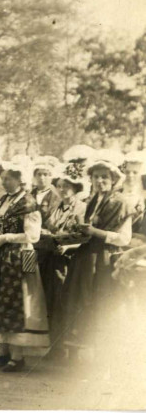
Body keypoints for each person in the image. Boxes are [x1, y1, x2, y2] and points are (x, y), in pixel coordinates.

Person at [0, 158, 48, 372]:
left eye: (9, 179)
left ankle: (17, 356)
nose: (4, 182)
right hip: (2, 257)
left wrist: (5, 238)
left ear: (20, 180)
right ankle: (2, 352)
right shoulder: (5, 199)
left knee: (17, 303)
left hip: (21, 256)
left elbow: (32, 235)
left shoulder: (29, 203)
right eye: (3, 178)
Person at [61, 149, 133, 358]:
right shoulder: (93, 200)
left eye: (105, 177)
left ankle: (102, 358)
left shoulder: (121, 202)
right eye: (96, 177)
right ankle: (80, 355)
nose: (100, 181)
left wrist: (94, 232)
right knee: (81, 300)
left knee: (99, 304)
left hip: (105, 258)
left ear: (113, 180)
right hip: (87, 258)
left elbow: (123, 239)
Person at [36, 164, 88, 349]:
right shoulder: (57, 206)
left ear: (75, 188)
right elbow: (51, 228)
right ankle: (53, 346)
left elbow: (85, 237)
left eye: (67, 186)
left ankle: (64, 348)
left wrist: (69, 247)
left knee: (63, 302)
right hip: (51, 258)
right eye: (59, 186)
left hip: (68, 261)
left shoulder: (82, 208)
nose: (63, 189)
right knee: (50, 300)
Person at [31, 156, 62, 228]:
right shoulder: (30, 193)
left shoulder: (56, 195)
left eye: (45, 174)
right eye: (39, 174)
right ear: (35, 176)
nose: (42, 178)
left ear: (51, 176)